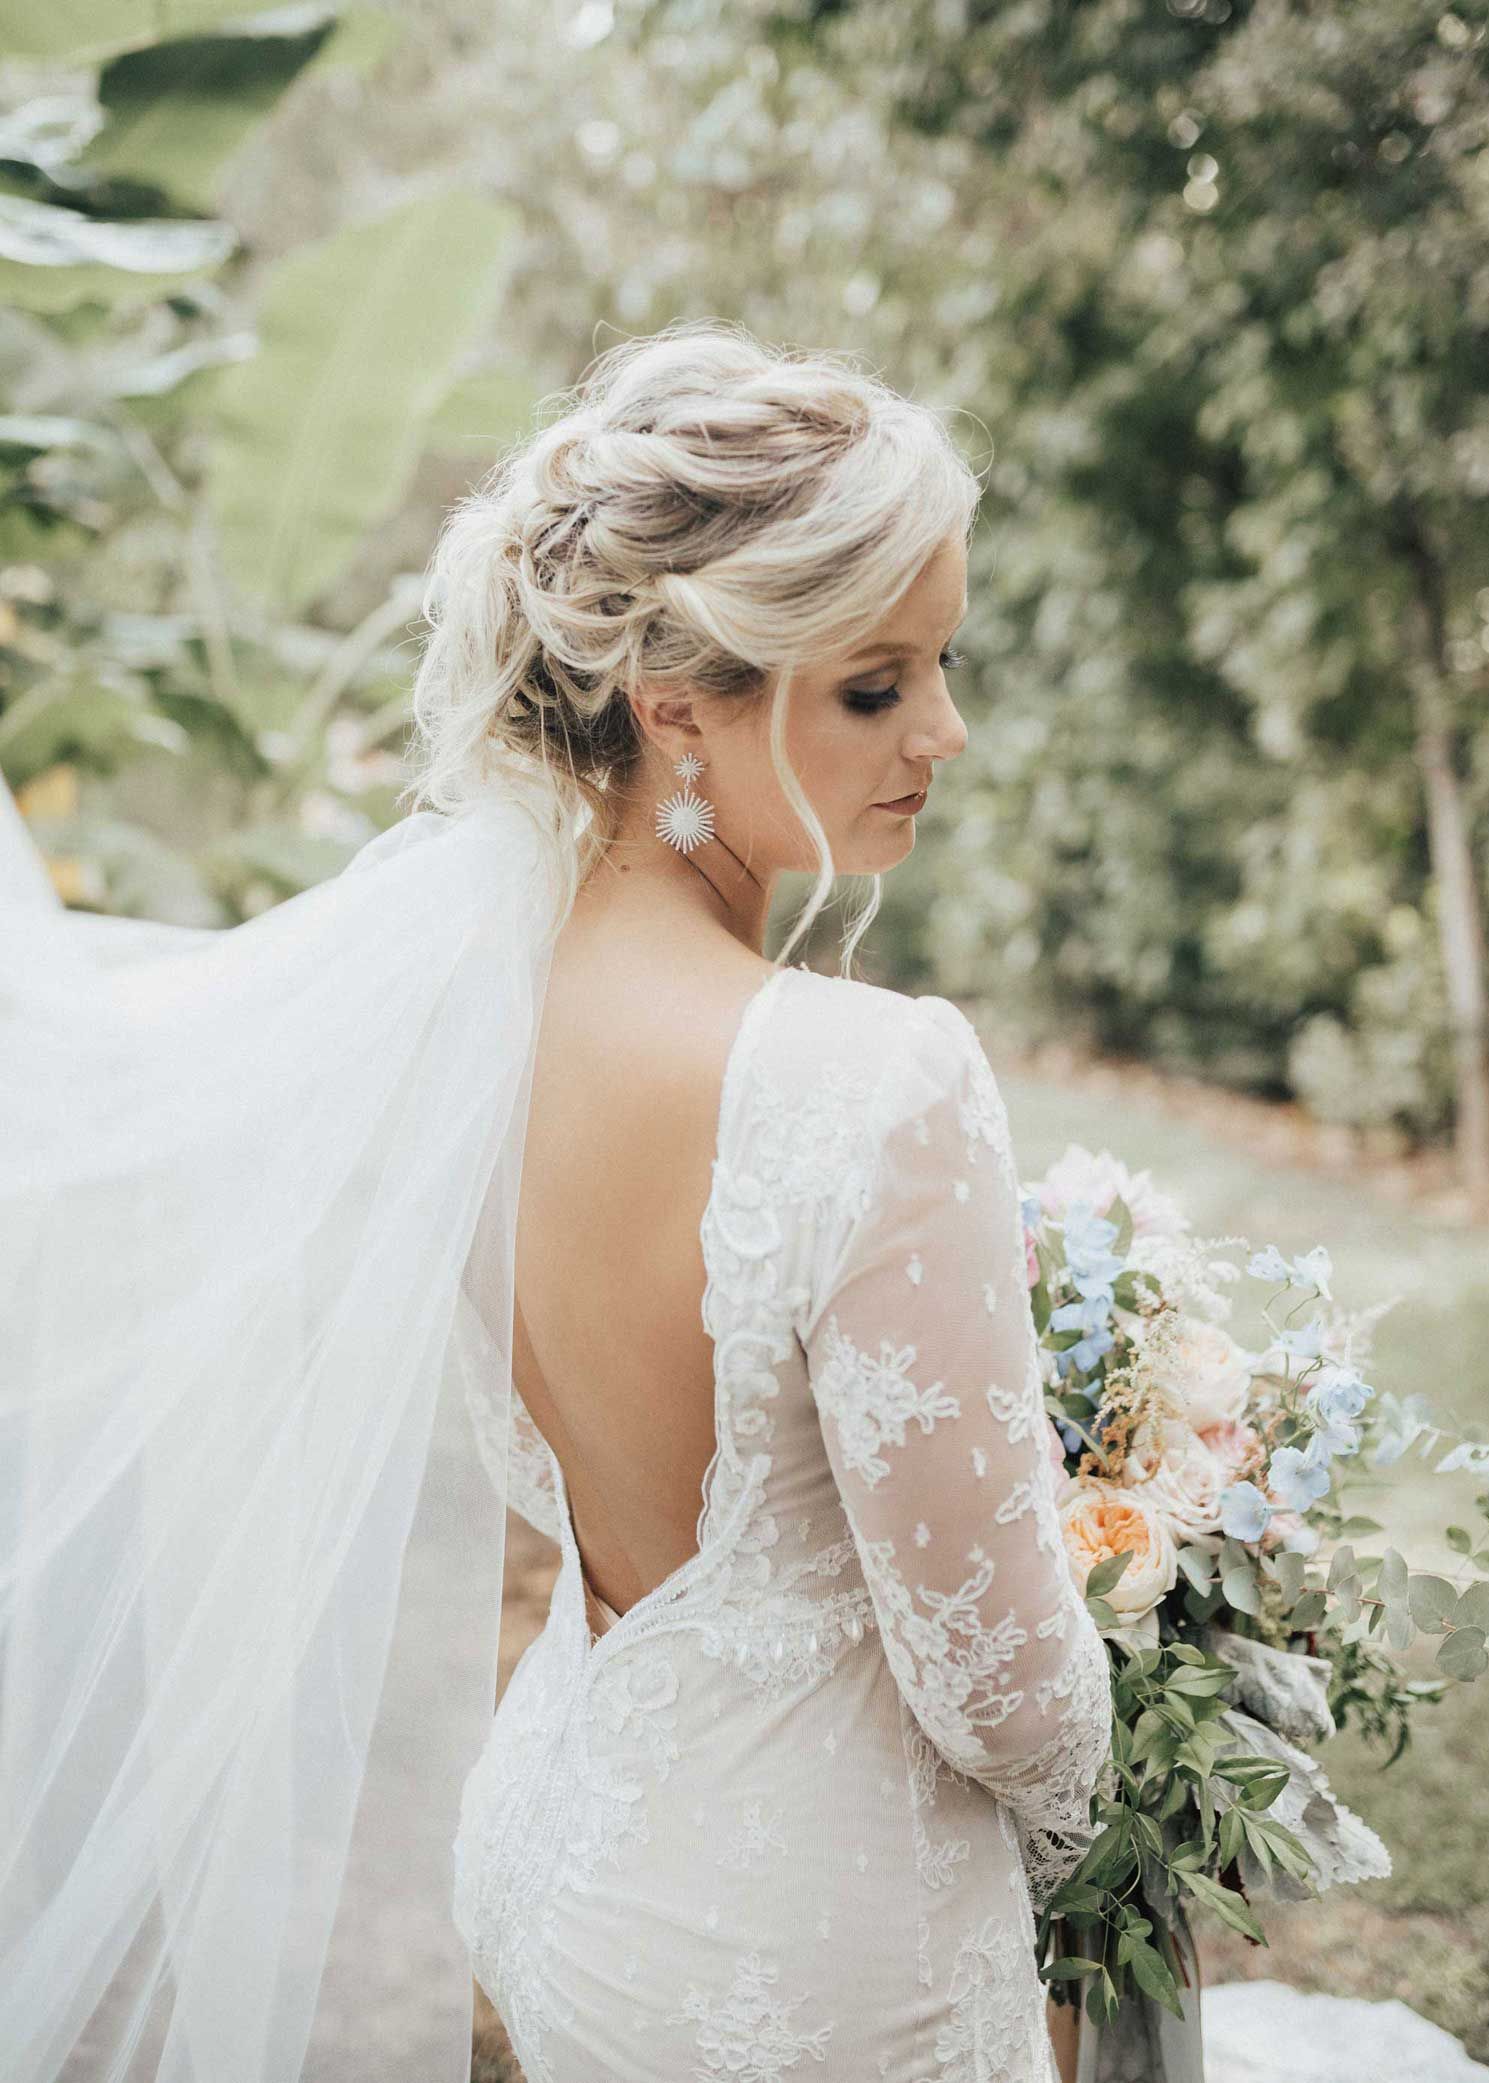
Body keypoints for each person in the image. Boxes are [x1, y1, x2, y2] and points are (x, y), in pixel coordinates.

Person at [0, 321, 1112, 2083]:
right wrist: (1138, 1751)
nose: (948, 732)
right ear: (679, 700)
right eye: (878, 686)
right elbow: (1004, 1695)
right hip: (824, 1954)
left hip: (569, 1858)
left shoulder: (459, 1013)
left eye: (943, 664)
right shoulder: (874, 1084)